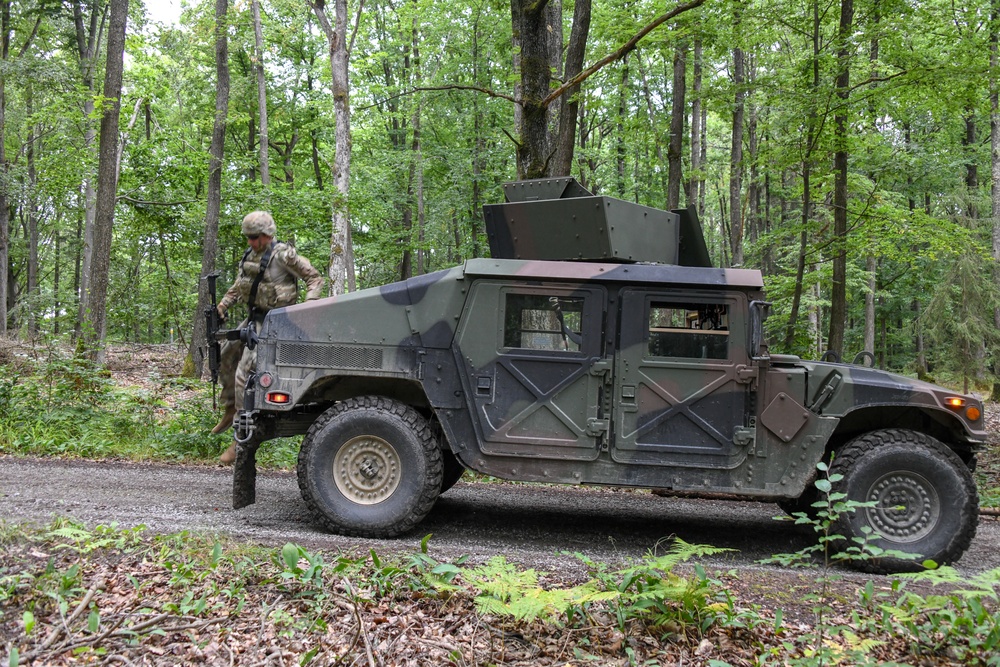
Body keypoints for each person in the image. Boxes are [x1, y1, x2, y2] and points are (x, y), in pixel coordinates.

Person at [212, 211, 325, 463]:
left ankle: (240, 435)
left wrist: (307, 307)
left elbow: (314, 278)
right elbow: (240, 284)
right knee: (225, 357)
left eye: (255, 237)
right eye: (248, 237)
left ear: (267, 235)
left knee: (244, 371)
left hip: (276, 322)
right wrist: (223, 305)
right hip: (254, 317)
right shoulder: (249, 255)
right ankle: (230, 408)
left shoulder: (283, 255)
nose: (251, 242)